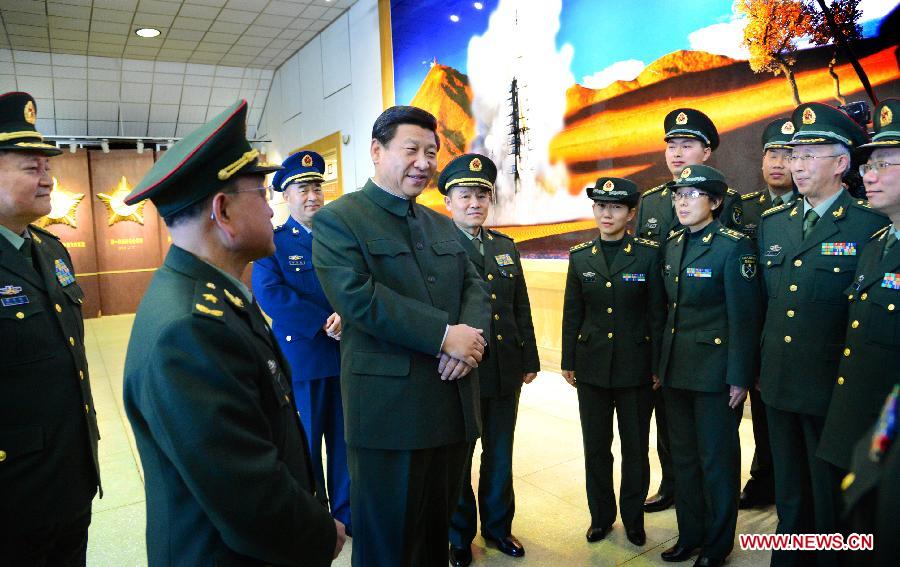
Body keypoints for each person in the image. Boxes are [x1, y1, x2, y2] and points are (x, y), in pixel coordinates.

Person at [122, 100, 343, 565]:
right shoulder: (189, 330)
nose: (270, 210)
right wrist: (320, 533)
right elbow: (246, 492)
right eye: (261, 195)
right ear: (222, 211)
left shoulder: (206, 294)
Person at [312, 106, 490, 567]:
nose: (425, 162)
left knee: (434, 541)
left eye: (431, 152)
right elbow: (357, 297)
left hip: (450, 409)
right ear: (376, 151)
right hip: (389, 417)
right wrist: (443, 335)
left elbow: (474, 283)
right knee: (387, 547)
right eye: (411, 149)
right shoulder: (341, 220)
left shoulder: (437, 222)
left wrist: (471, 343)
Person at [757, 102, 887, 567]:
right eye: (794, 154)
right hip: (776, 384)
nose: (797, 164)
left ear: (841, 162)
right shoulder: (774, 223)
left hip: (830, 389)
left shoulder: (868, 226)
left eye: (811, 154)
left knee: (830, 496)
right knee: (788, 492)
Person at [0, 91, 100, 565]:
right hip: (13, 496)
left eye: (47, 167)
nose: (47, 179)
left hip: (70, 477)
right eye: (31, 167)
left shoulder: (51, 249)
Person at [635, 108, 744, 513]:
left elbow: (736, 289)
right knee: (671, 427)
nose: (677, 153)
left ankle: (713, 518)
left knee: (713, 443)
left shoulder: (728, 202)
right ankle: (674, 485)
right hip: (668, 337)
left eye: (687, 145)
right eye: (672, 145)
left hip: (710, 341)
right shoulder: (652, 202)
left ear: (707, 151)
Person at [657, 165, 762, 567]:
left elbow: (744, 317)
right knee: (682, 458)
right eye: (678, 195)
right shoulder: (673, 243)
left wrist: (739, 376)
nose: (682, 202)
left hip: (716, 373)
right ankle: (690, 535)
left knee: (716, 461)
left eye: (692, 195)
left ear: (715, 202)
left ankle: (717, 545)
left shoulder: (733, 246)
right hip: (676, 369)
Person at [439, 153, 540, 566]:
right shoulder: (438, 248)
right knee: (460, 457)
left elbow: (519, 307)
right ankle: (460, 536)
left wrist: (529, 357)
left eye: (482, 194)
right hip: (462, 372)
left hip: (503, 369)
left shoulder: (503, 247)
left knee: (500, 452)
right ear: (448, 201)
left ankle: (498, 528)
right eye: (465, 195)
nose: (474, 203)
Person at [560, 177, 665, 548]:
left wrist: (657, 365)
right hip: (591, 369)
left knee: (635, 449)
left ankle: (633, 519)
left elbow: (657, 316)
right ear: (594, 211)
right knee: (596, 448)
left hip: (636, 369)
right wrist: (568, 359)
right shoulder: (580, 256)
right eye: (601, 206)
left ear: (631, 213)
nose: (607, 214)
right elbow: (573, 313)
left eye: (616, 207)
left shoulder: (649, 255)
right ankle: (601, 517)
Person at [252, 150, 352, 533]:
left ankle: (346, 515)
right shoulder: (274, 243)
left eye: (316, 187)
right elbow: (270, 294)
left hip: (344, 354)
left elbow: (356, 282)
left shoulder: (339, 238)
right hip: (305, 359)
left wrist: (347, 314)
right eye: (301, 188)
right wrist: (322, 321)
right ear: (286, 196)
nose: (312, 195)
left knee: (344, 445)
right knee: (307, 443)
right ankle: (314, 519)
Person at [818, 98, 899, 474]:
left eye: (883, 164)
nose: (868, 175)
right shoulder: (876, 246)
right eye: (869, 165)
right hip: (862, 432)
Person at [737, 118, 799, 510]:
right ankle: (764, 479)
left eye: (789, 155)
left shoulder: (812, 210)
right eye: (772, 154)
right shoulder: (742, 209)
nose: (778, 163)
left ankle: (796, 486)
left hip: (798, 330)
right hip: (757, 330)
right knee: (762, 414)